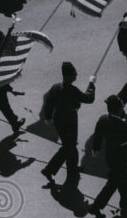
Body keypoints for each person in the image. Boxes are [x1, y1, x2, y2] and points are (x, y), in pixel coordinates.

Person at [41, 61, 96, 192]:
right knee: (68, 146)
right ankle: (49, 169)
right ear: (70, 76)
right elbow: (89, 99)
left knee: (70, 144)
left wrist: (48, 117)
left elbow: (49, 102)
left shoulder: (55, 87)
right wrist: (92, 84)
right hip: (70, 119)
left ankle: (72, 168)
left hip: (59, 118)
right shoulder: (72, 90)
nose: (76, 75)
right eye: (75, 74)